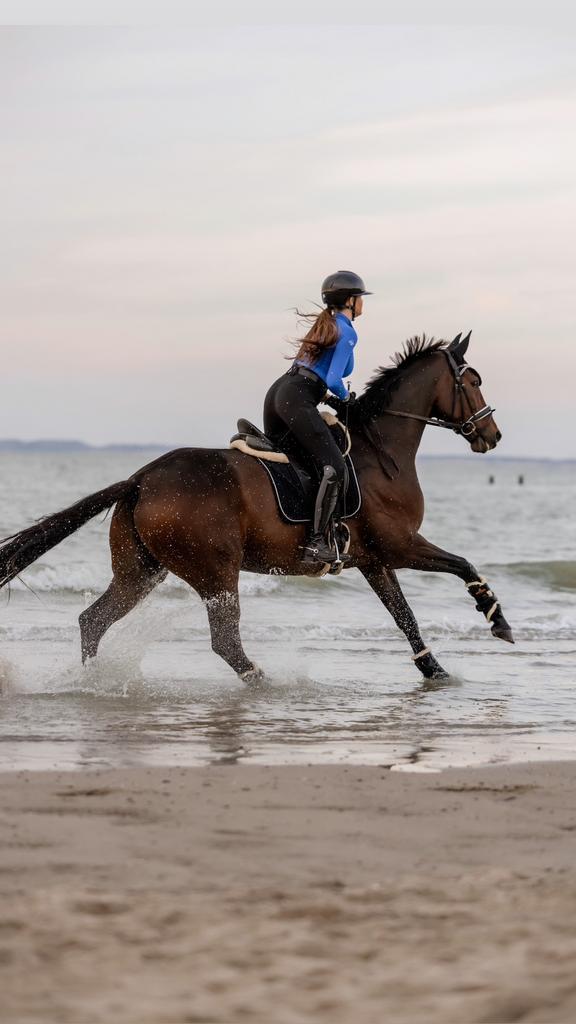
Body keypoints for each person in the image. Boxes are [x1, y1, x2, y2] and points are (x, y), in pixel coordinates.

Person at [263, 270, 371, 563]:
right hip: (297, 397)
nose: (363, 303)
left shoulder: (324, 325)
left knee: (305, 460)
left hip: (279, 394)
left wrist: (324, 395)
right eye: (360, 298)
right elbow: (335, 377)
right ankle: (315, 544)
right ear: (350, 301)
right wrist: (345, 398)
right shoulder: (347, 331)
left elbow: (314, 373)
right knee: (335, 466)